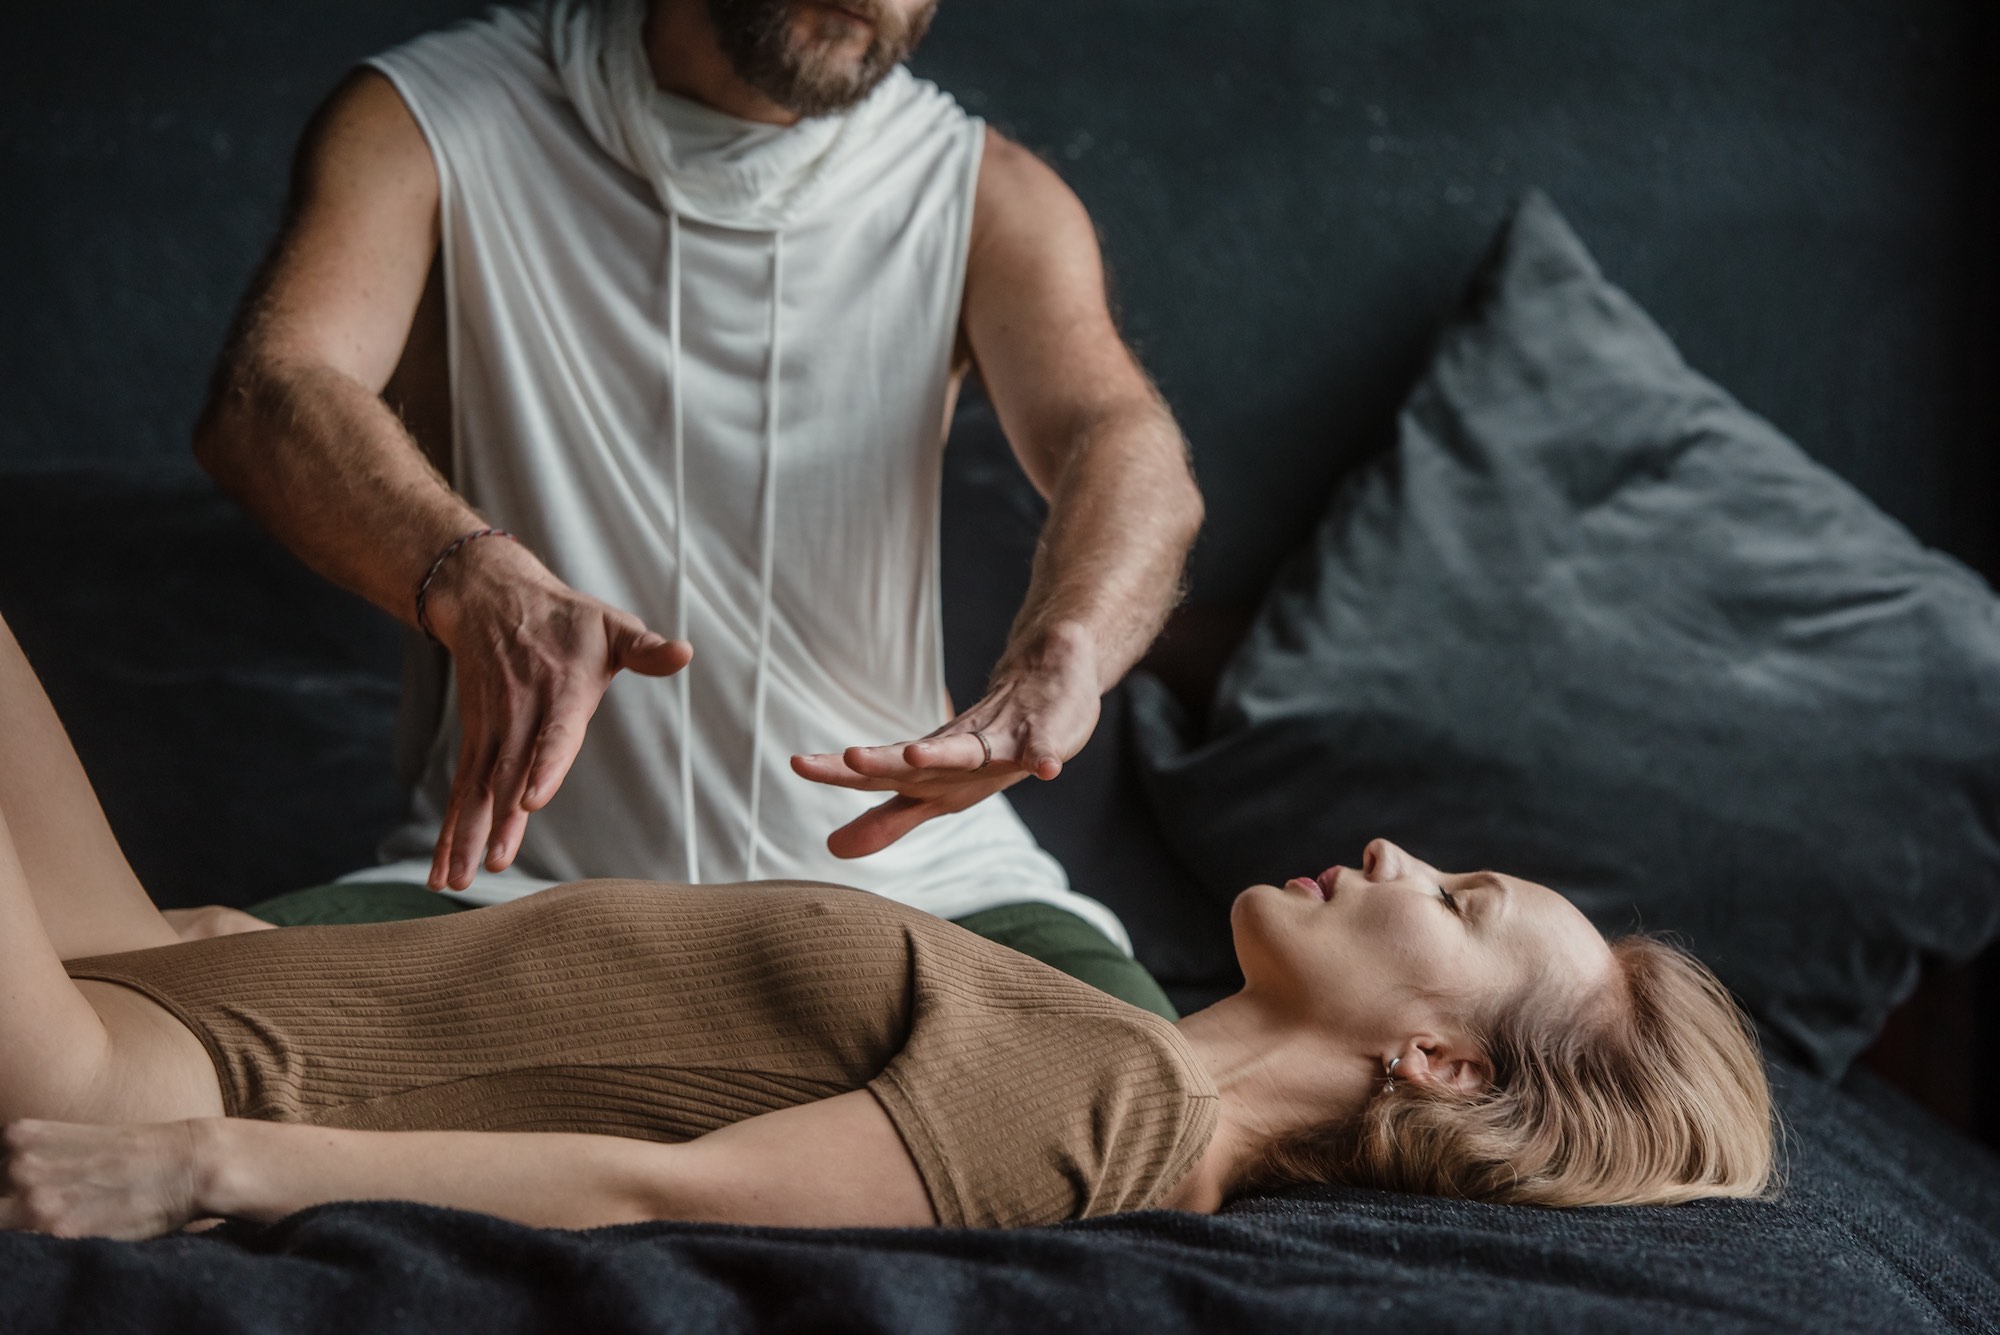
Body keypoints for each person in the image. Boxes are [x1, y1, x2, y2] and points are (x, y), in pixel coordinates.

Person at [0, 612, 1773, 1238]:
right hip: (193, 986)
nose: (1397, 850)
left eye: (1459, 902)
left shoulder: (1123, 1108)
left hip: (137, 1078)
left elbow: (670, 1193)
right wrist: (275, 963)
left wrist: (214, 1165)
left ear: (1441, 1059)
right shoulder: (1113, 1060)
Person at [183, 0, 1204, 1014]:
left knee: (1152, 1089)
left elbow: (1119, 434)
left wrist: (1067, 646)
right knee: (155, 1029)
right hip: (504, 891)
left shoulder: (983, 193)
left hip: (930, 889)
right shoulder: (425, 117)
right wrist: (470, 574)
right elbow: (268, 392)